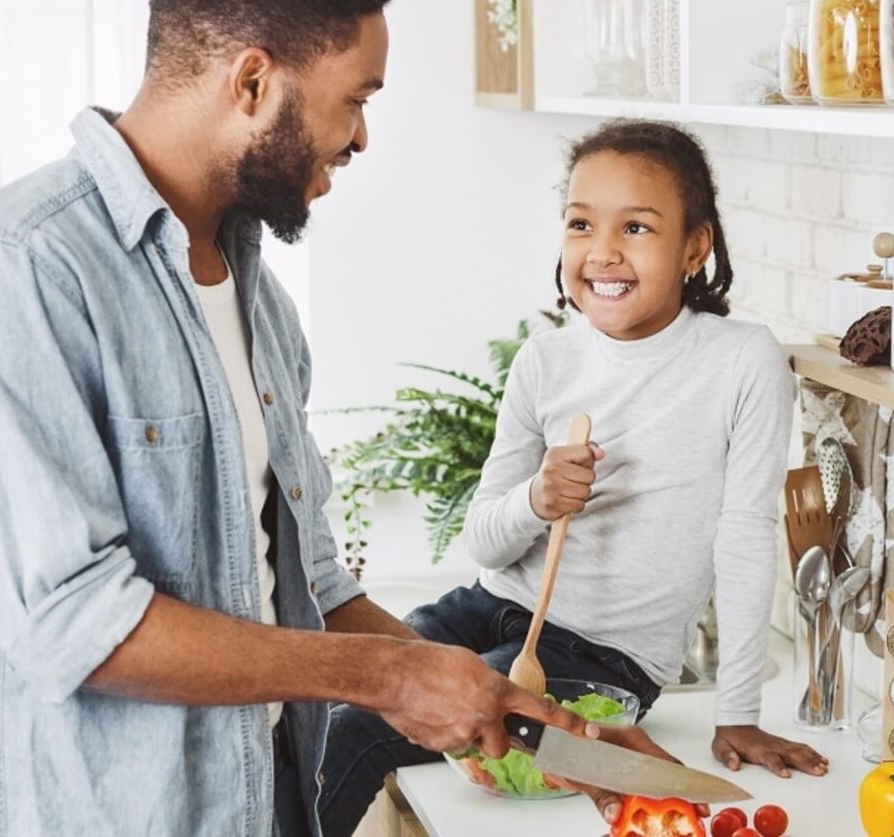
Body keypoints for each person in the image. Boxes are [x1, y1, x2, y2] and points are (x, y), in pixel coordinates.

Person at [0, 0, 671, 835]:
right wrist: (389, 679)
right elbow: (78, 625)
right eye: (356, 99)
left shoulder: (261, 303)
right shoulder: (14, 274)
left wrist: (529, 720)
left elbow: (309, 582)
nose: (362, 137)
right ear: (254, 81)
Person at [322, 119, 828, 835]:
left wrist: (738, 713)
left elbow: (746, 538)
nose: (603, 252)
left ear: (695, 246)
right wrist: (537, 499)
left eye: (639, 228)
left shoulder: (741, 362)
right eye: (581, 223)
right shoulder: (545, 362)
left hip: (604, 658)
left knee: (359, 733)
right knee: (345, 699)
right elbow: (486, 543)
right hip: (486, 608)